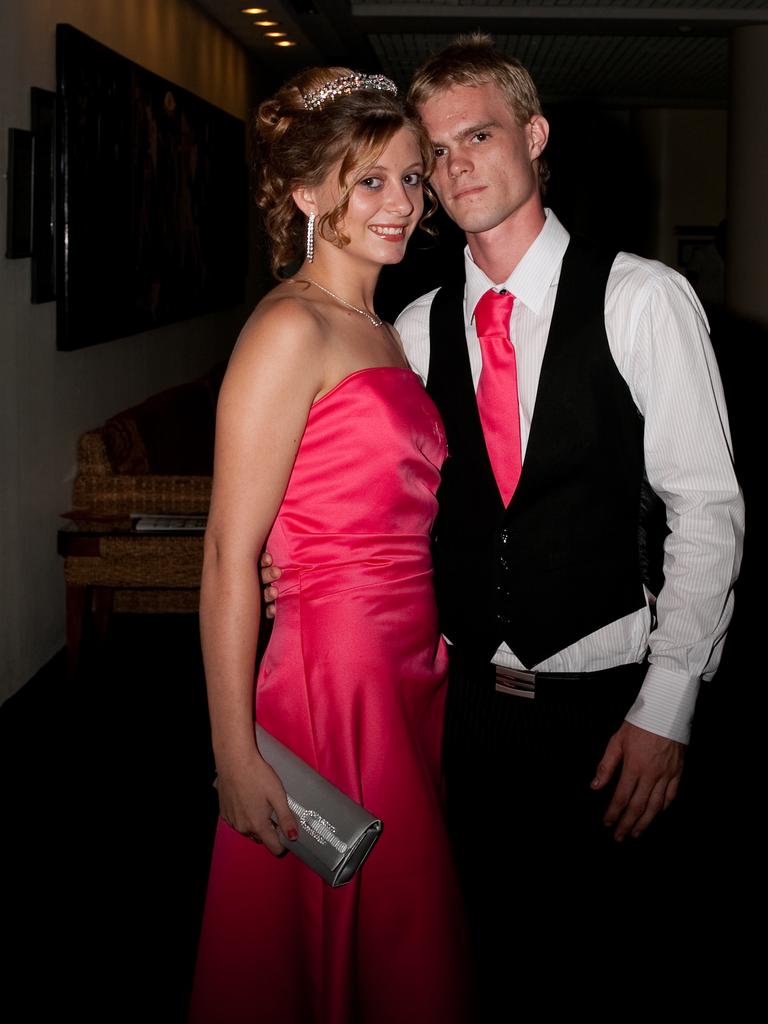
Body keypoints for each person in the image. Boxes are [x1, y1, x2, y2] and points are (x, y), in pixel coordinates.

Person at [262, 34, 744, 1001]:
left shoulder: (643, 297)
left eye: (477, 135)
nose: (453, 167)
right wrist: (302, 559)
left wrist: (669, 706)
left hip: (609, 713)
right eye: (433, 152)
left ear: (534, 134)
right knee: (472, 968)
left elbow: (709, 507)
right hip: (460, 712)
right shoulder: (409, 325)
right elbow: (387, 497)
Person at [188, 68, 472, 1024]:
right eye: (370, 182)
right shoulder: (289, 329)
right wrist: (234, 748)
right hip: (332, 677)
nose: (401, 204)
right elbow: (231, 552)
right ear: (307, 193)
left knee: (393, 933)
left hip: (403, 668)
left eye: (409, 179)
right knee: (324, 940)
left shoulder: (382, 329)